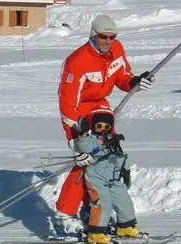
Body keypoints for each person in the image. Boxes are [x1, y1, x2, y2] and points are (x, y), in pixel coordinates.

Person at [51, 15, 155, 239]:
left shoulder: (117, 49)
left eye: (111, 37)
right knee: (85, 161)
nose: (108, 41)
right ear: (93, 35)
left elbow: (122, 77)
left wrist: (136, 81)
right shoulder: (77, 61)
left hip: (102, 112)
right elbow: (67, 104)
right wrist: (75, 140)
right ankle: (64, 215)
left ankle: (95, 212)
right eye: (103, 37)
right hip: (79, 114)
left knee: (109, 159)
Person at [74, 108, 143, 244]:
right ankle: (96, 233)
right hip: (96, 178)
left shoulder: (112, 139)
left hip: (114, 178)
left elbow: (117, 158)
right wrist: (82, 136)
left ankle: (125, 226)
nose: (103, 129)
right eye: (99, 126)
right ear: (94, 126)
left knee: (124, 201)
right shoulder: (92, 140)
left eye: (107, 126)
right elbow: (82, 148)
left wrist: (123, 172)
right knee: (102, 204)